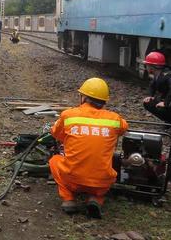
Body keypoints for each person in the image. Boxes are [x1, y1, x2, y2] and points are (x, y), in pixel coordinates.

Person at [49, 77, 128, 219]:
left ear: (83, 97)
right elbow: (124, 128)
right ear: (104, 101)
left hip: (73, 180)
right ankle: (95, 199)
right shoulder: (115, 119)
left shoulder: (68, 115)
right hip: (101, 183)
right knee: (103, 175)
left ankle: (68, 199)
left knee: (54, 160)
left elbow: (56, 134)